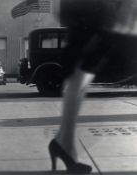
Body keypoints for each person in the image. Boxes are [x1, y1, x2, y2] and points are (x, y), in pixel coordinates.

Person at [48, 0, 137, 173]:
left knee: (82, 73)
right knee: (81, 72)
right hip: (94, 9)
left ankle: (64, 143)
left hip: (94, 9)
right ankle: (64, 144)